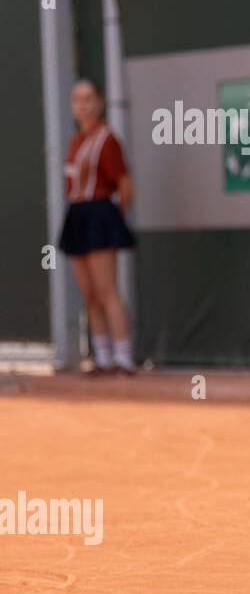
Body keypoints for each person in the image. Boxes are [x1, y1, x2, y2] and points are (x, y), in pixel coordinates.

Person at [57, 78, 138, 376]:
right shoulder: (74, 141)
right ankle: (102, 359)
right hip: (77, 214)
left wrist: (111, 216)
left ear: (100, 103)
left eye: (89, 98)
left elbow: (125, 186)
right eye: (77, 99)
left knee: (107, 291)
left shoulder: (107, 139)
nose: (83, 104)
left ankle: (124, 358)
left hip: (99, 214)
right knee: (89, 294)